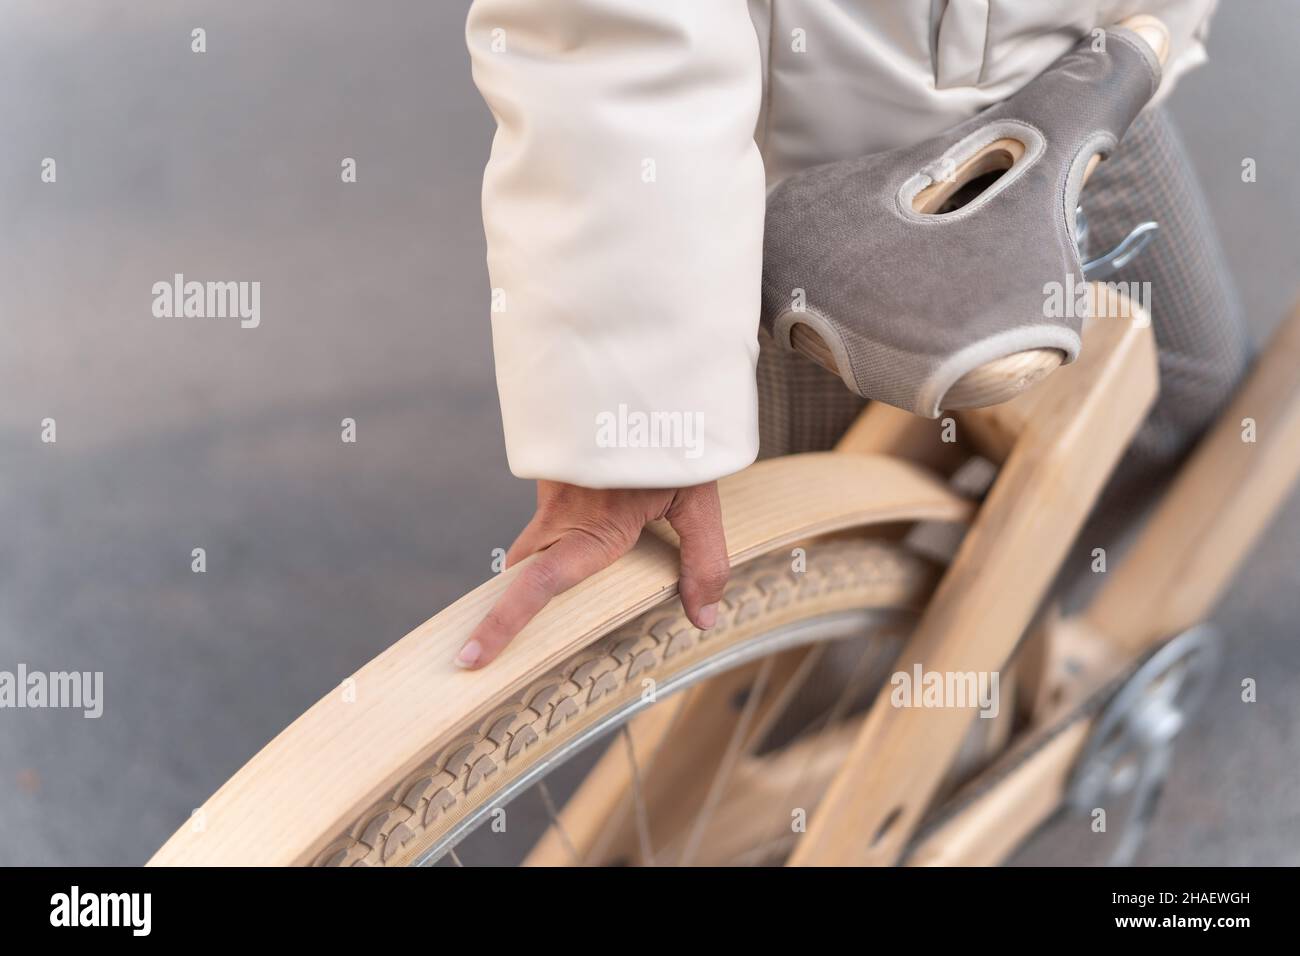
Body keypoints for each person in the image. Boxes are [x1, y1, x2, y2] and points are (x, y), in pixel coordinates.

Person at [456, 0, 1246, 669]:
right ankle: (816, 734)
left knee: (1179, 389)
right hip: (822, 180)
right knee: (767, 594)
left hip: (1092, 77)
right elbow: (611, 31)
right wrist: (638, 415)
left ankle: (953, 654)